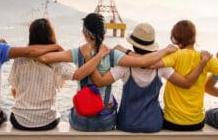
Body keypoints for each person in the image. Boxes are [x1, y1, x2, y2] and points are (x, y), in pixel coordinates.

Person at [37, 13, 178, 132]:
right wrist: (165, 50)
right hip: (105, 120)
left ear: (84, 34)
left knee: (73, 108)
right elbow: (143, 62)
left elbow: (44, 58)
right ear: (104, 33)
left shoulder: (77, 52)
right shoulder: (113, 55)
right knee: (112, 102)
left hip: (81, 119)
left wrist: (55, 46)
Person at [88, 23, 213, 133]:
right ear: (151, 46)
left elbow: (99, 82)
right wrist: (203, 63)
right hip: (153, 124)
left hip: (127, 123)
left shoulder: (125, 66)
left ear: (133, 45)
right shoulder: (162, 67)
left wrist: (91, 59)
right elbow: (186, 83)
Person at [148, 20, 218, 131]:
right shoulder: (206, 58)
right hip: (197, 123)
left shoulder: (175, 55)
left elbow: (151, 64)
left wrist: (164, 51)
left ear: (176, 38)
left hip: (172, 122)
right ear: (194, 37)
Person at [9, 18, 110, 131]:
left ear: (31, 36)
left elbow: (14, 91)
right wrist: (98, 56)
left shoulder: (20, 59)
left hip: (19, 121)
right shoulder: (57, 60)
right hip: (47, 121)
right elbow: (78, 74)